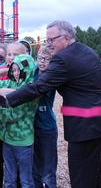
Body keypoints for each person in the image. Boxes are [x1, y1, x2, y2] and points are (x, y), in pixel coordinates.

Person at [0, 20, 101, 188]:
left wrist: (5, 99)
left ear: (66, 38)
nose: (49, 44)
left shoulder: (63, 59)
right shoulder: (87, 50)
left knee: (81, 178)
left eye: (51, 40)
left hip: (84, 126)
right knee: (92, 173)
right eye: (47, 41)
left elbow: (39, 87)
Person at [0, 54, 38, 187]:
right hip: (7, 139)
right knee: (9, 176)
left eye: (19, 71)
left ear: (27, 71)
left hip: (22, 142)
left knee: (26, 179)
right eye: (13, 70)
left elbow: (11, 115)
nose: (15, 74)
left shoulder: (29, 91)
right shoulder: (12, 82)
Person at [33, 48, 58, 188]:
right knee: (34, 162)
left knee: (48, 165)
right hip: (32, 124)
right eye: (40, 58)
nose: (42, 61)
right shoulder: (34, 71)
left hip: (46, 125)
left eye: (47, 59)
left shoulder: (51, 76)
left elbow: (36, 93)